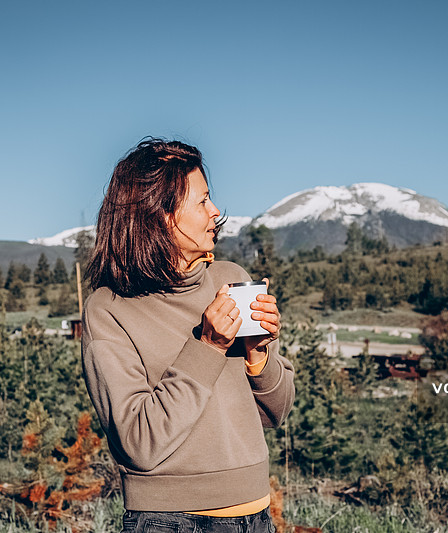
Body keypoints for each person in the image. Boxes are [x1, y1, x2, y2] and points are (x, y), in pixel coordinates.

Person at [81, 138, 295, 533]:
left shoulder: (231, 280)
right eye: (202, 201)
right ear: (159, 217)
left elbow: (274, 413)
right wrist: (208, 347)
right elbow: (139, 442)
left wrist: (259, 356)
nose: (215, 212)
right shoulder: (108, 310)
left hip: (257, 516)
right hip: (169, 520)